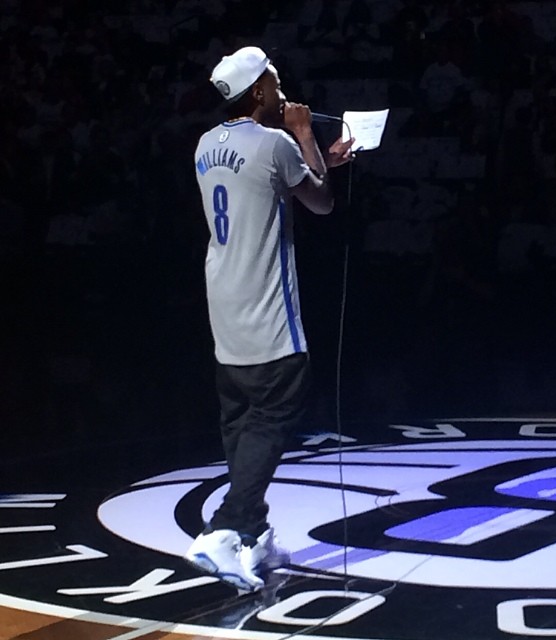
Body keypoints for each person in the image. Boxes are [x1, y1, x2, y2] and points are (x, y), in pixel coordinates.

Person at [184, 46, 354, 592]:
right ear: (258, 91)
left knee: (240, 419)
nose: (283, 93)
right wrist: (306, 138)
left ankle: (253, 537)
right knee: (276, 406)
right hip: (266, 304)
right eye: (276, 84)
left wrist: (311, 154)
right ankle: (224, 529)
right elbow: (322, 202)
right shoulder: (276, 142)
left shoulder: (206, 144)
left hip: (223, 303)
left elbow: (274, 183)